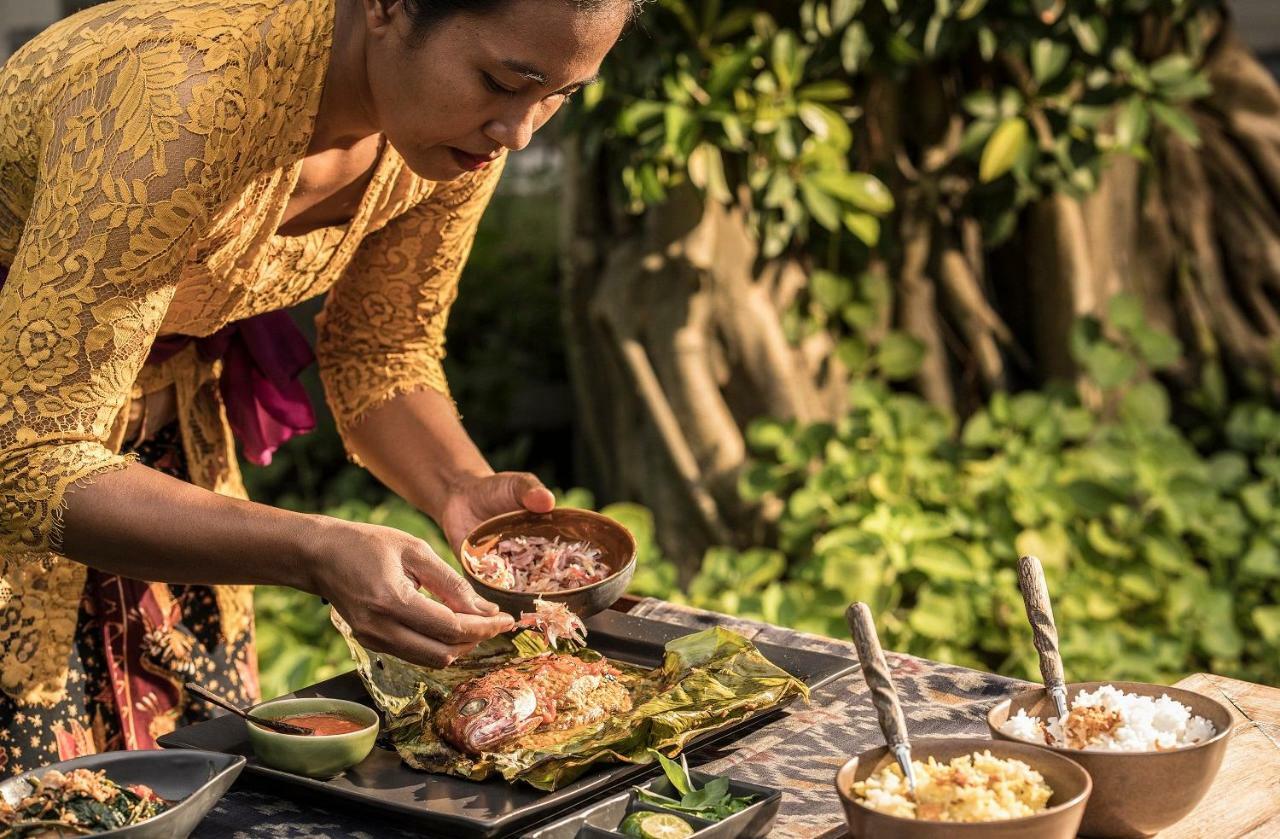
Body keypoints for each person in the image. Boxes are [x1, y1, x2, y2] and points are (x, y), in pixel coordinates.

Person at [0, 0, 635, 774]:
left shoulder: (443, 134)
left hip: (166, 467)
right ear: (389, 7)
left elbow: (381, 348)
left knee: (194, 788)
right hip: (27, 449)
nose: (519, 132)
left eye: (557, 96)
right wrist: (312, 549)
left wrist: (460, 488)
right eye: (503, 82)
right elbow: (30, 458)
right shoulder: (176, 101)